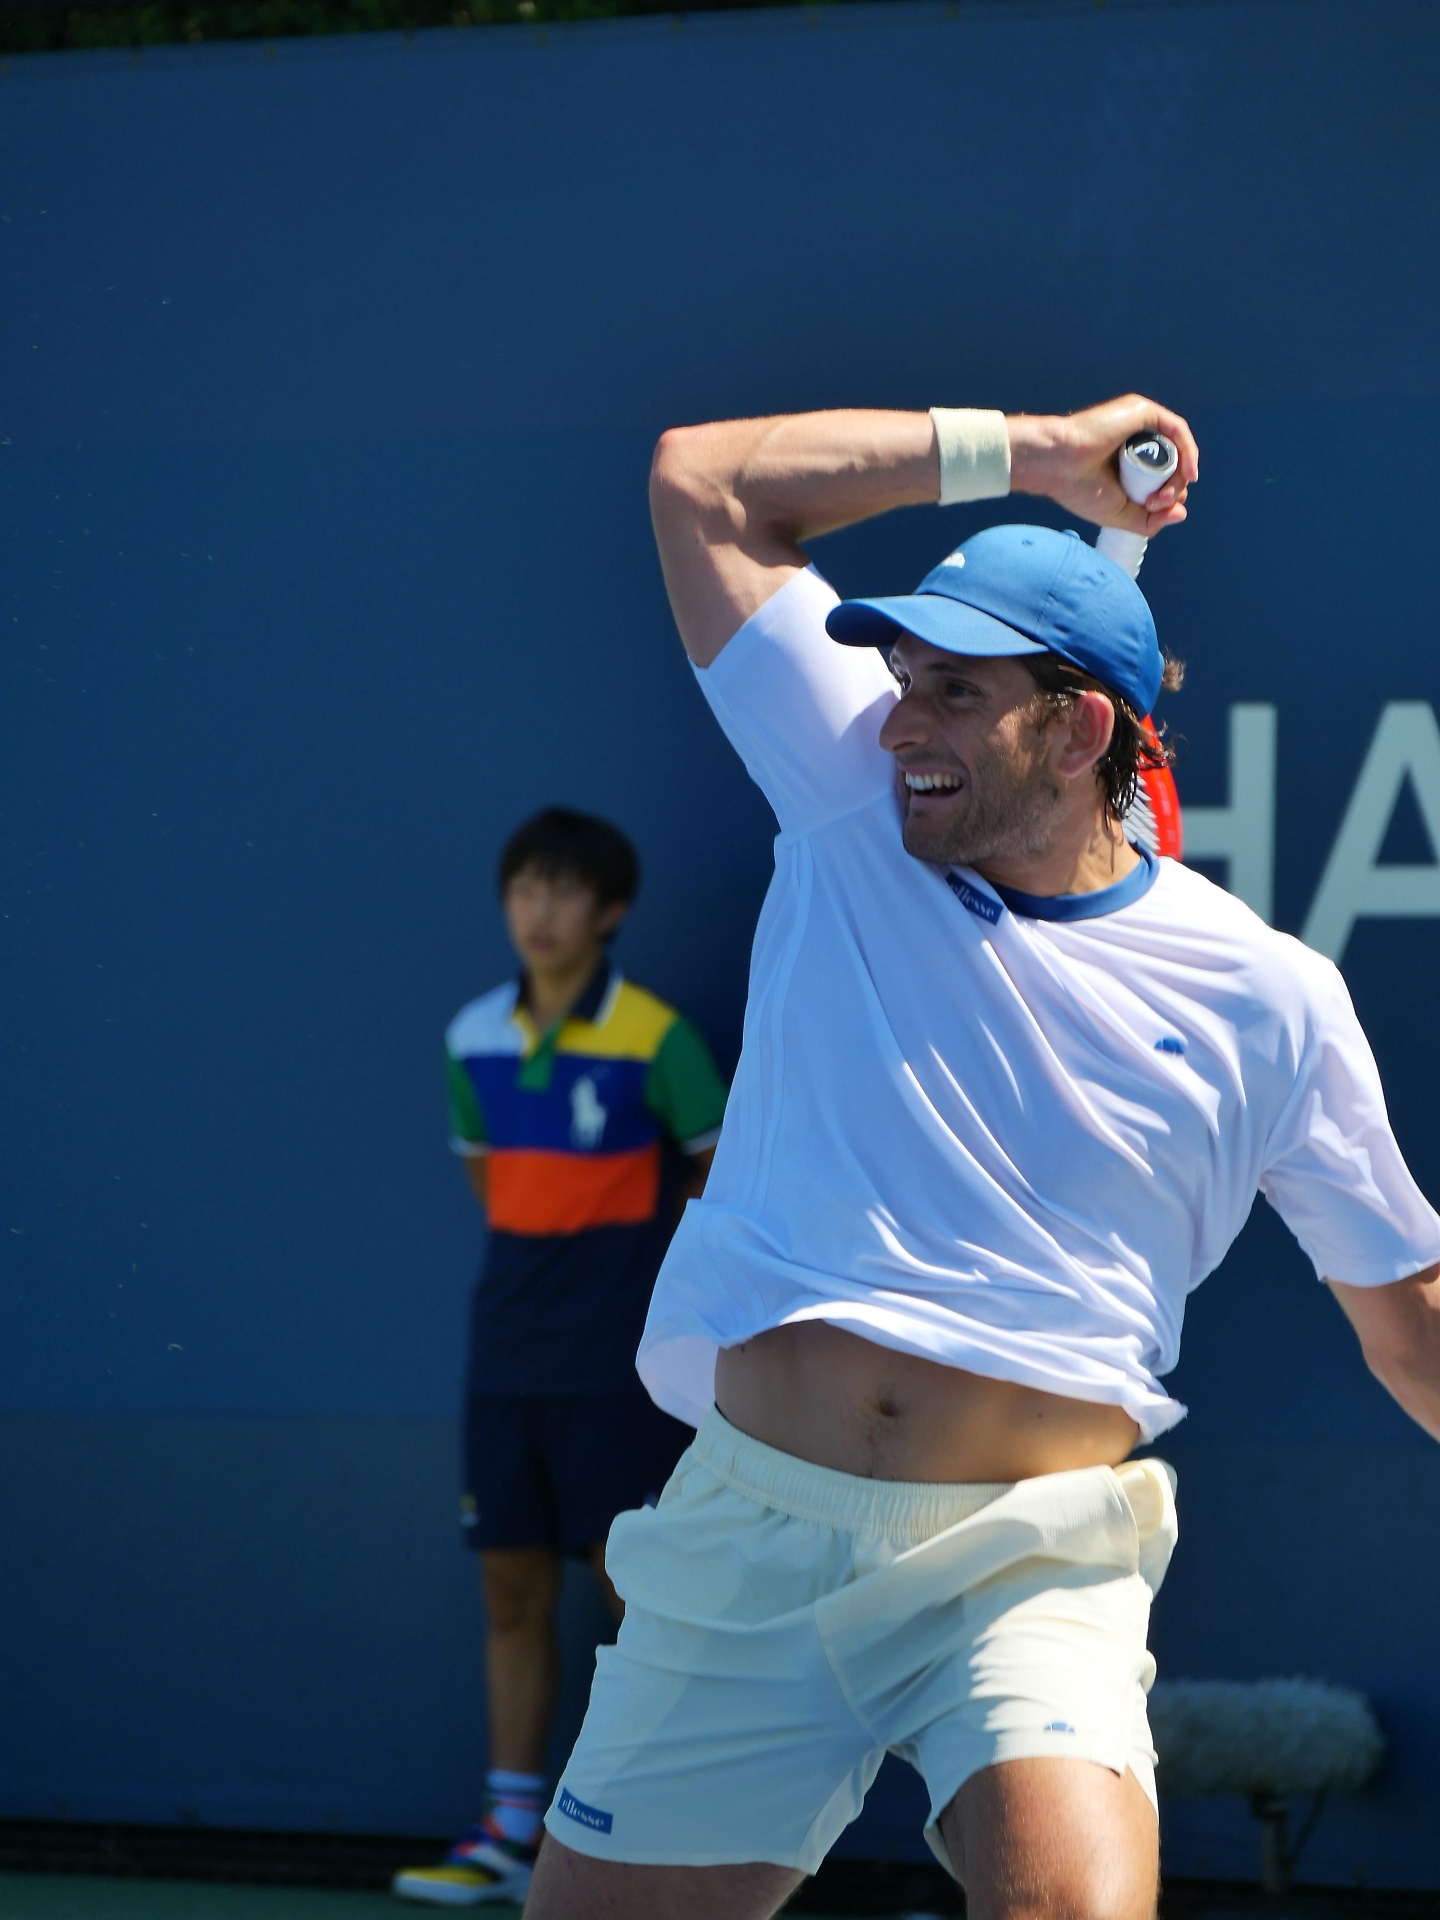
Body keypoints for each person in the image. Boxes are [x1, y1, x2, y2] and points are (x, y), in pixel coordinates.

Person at [522, 396, 1440, 1920]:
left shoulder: (1271, 999)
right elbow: (704, 483)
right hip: (747, 1535)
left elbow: (1412, 1324)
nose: (897, 725)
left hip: (1027, 1561)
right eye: (899, 681)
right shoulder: (850, 799)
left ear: (1079, 733)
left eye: (953, 692)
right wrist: (1035, 451)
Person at [393, 807, 729, 1908]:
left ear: (611, 910)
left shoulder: (658, 1037)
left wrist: (630, 1279)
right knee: (509, 1585)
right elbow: (490, 1181)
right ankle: (508, 1830)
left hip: (618, 1358)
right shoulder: (471, 1036)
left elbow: (714, 1175)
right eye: (524, 889)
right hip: (505, 1349)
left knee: (632, 1588)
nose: (540, 912)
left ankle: (659, 1834)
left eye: (565, 890)